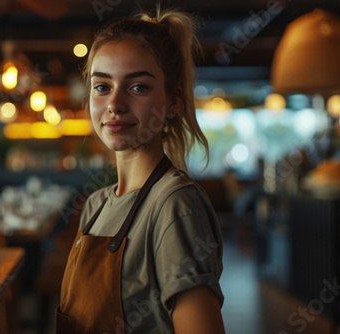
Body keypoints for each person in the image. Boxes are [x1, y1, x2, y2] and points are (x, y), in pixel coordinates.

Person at [56, 8, 225, 334]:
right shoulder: (96, 205)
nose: (114, 104)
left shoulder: (175, 206)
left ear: (173, 103)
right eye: (102, 87)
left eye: (137, 87)